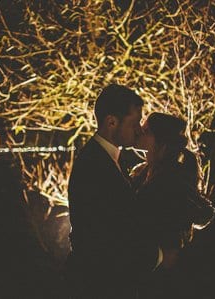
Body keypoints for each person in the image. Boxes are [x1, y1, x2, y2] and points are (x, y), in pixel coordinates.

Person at [65, 84, 159, 298]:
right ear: (111, 122)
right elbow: (108, 235)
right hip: (100, 284)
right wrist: (158, 256)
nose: (139, 130)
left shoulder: (103, 158)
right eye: (134, 123)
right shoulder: (95, 166)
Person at [131, 113, 215, 298]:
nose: (139, 133)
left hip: (162, 274)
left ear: (160, 139)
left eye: (146, 131)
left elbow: (168, 223)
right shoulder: (145, 171)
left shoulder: (170, 178)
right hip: (149, 266)